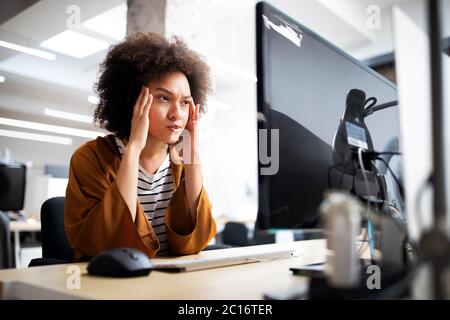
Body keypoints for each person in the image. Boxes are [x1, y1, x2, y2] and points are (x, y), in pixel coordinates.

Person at [64, 33, 217, 261]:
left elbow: (194, 241)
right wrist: (134, 147)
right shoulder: (90, 158)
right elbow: (111, 246)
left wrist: (192, 153)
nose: (177, 113)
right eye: (164, 98)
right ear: (132, 100)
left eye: (185, 102)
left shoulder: (181, 162)